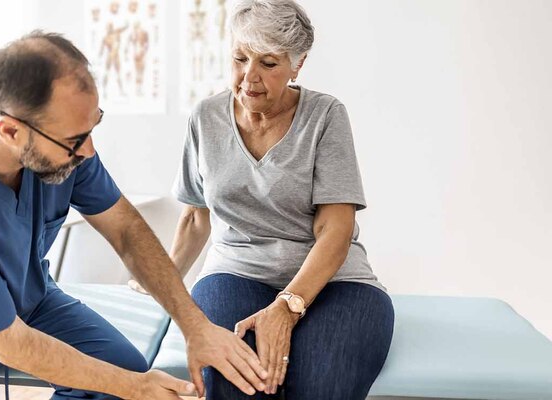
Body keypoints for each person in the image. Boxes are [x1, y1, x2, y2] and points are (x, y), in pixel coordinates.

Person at [0, 30, 268, 400]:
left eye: (94, 126)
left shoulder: (56, 136)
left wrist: (194, 326)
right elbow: (8, 341)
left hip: (28, 300)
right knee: (130, 387)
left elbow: (124, 229)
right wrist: (136, 389)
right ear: (10, 132)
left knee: (123, 378)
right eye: (75, 140)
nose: (88, 151)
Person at [131, 0, 394, 398]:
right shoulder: (206, 117)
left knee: (320, 388)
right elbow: (196, 218)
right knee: (238, 385)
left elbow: (335, 229)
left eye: (268, 64)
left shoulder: (326, 116)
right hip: (235, 273)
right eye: (239, 58)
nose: (248, 77)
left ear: (297, 65)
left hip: (335, 283)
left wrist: (286, 307)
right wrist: (162, 285)